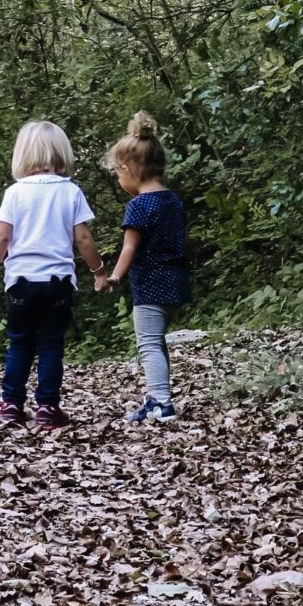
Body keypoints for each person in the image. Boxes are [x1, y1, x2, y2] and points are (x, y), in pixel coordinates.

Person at [0, 119, 109, 428]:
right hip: (58, 283)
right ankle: (48, 407)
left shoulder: (15, 193)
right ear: (61, 153)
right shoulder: (70, 192)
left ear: (22, 155)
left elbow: (1, 238)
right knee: (51, 344)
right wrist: (99, 272)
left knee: (20, 343)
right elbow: (83, 239)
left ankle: (11, 405)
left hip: (21, 283)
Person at [104, 112, 191, 423]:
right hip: (177, 284)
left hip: (152, 287)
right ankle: (157, 396)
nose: (119, 178)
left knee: (149, 344)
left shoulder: (138, 205)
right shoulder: (173, 201)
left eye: (118, 173)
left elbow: (130, 247)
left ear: (129, 169)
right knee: (157, 342)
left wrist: (114, 276)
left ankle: (161, 403)